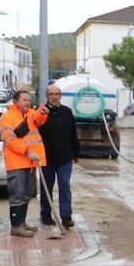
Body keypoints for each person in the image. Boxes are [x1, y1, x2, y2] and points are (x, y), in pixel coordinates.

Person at [0, 90, 49, 238]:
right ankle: (16, 226)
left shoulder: (29, 114)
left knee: (27, 193)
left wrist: (43, 112)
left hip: (30, 163)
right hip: (17, 162)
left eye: (29, 100)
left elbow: (38, 119)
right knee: (18, 193)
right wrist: (27, 151)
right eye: (24, 100)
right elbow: (10, 139)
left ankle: (22, 222)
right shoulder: (7, 117)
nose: (28, 102)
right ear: (16, 102)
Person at [37, 84, 80, 229]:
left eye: (56, 94)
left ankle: (66, 217)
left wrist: (76, 153)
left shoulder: (67, 112)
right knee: (46, 188)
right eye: (51, 94)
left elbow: (73, 133)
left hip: (65, 158)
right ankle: (46, 215)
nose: (54, 96)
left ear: (60, 96)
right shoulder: (40, 112)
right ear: (47, 96)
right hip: (46, 158)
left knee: (64, 186)